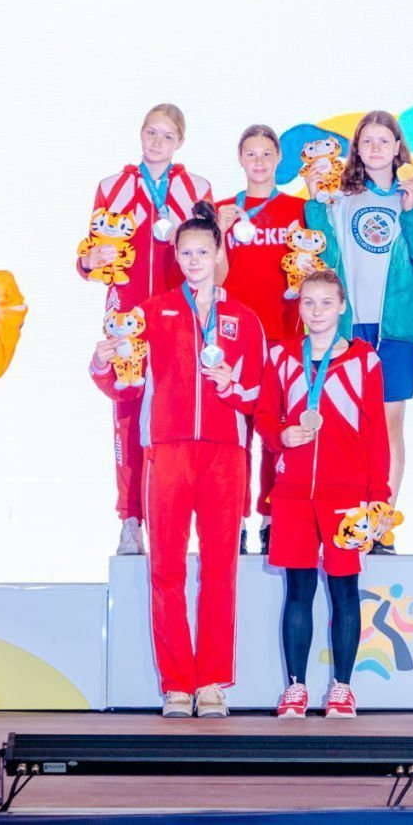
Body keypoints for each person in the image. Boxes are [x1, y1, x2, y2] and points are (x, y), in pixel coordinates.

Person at [91, 201, 265, 719]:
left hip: (225, 454)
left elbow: (259, 396)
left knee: (219, 570)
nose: (194, 261)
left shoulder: (244, 319)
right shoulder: (149, 313)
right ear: (175, 254)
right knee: (165, 569)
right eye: (185, 252)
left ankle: (211, 682)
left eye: (202, 252)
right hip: (165, 451)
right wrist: (102, 363)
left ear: (219, 253)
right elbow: (125, 386)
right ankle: (176, 686)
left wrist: (231, 387)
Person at [255, 268, 392, 720]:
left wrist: (379, 496)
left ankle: (342, 688)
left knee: (344, 589)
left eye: (326, 303)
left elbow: (376, 433)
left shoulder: (365, 361)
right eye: (308, 302)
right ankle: (295, 687)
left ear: (342, 307)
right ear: (299, 305)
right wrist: (282, 435)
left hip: (346, 495)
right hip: (293, 494)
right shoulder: (281, 357)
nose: (316, 311)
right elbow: (264, 418)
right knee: (298, 590)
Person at [304, 111, 413, 553]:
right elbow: (323, 253)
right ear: (357, 149)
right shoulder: (341, 199)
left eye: (385, 140)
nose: (377, 148)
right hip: (350, 326)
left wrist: (410, 212)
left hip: (396, 329)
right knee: (343, 425)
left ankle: (381, 523)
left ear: (399, 147)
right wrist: (314, 203)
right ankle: (346, 518)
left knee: (388, 426)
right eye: (368, 141)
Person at [81, 103, 213, 557]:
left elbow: (210, 253)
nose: (157, 142)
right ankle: (131, 519)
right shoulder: (111, 187)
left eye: (167, 136)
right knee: (127, 411)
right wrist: (88, 261)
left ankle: (174, 522)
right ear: (140, 133)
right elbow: (90, 256)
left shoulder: (197, 189)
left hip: (180, 315)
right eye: (151, 132)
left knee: (178, 415)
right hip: (126, 315)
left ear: (181, 142)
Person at [214, 124, 307, 556]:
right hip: (235, 341)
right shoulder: (222, 210)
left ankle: (272, 518)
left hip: (285, 336)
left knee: (275, 433)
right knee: (236, 437)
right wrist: (219, 233)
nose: (259, 162)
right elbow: (214, 280)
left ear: (278, 159)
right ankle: (233, 521)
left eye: (266, 154)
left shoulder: (298, 210)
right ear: (239, 158)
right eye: (251, 154)